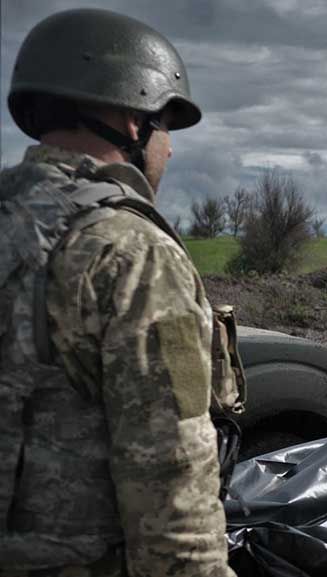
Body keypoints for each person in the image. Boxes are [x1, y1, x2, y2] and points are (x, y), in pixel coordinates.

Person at [0, 9, 235, 576]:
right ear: (132, 120)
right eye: (166, 126)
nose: (170, 150)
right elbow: (175, 514)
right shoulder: (130, 254)